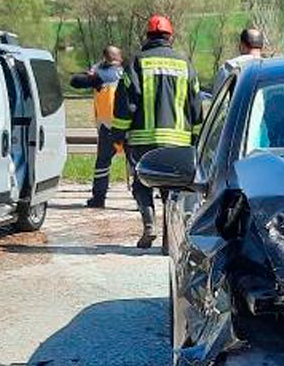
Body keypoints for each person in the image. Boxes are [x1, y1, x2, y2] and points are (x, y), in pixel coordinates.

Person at [113, 15, 202, 249]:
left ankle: (149, 224)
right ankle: (168, 238)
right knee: (172, 189)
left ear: (147, 36)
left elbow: (126, 103)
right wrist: (196, 138)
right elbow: (195, 104)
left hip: (143, 140)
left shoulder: (137, 63)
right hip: (178, 142)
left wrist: (118, 135)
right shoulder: (185, 64)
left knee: (142, 182)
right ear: (170, 36)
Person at [69, 46, 124, 208]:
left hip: (109, 126)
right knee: (135, 163)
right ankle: (142, 199)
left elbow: (75, 82)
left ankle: (98, 198)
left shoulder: (101, 74)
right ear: (119, 58)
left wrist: (92, 72)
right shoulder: (128, 72)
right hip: (129, 125)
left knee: (103, 163)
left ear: (105, 58)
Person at [213, 27, 265, 94]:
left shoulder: (228, 69)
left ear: (242, 46)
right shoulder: (271, 69)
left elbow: (219, 101)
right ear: (262, 48)